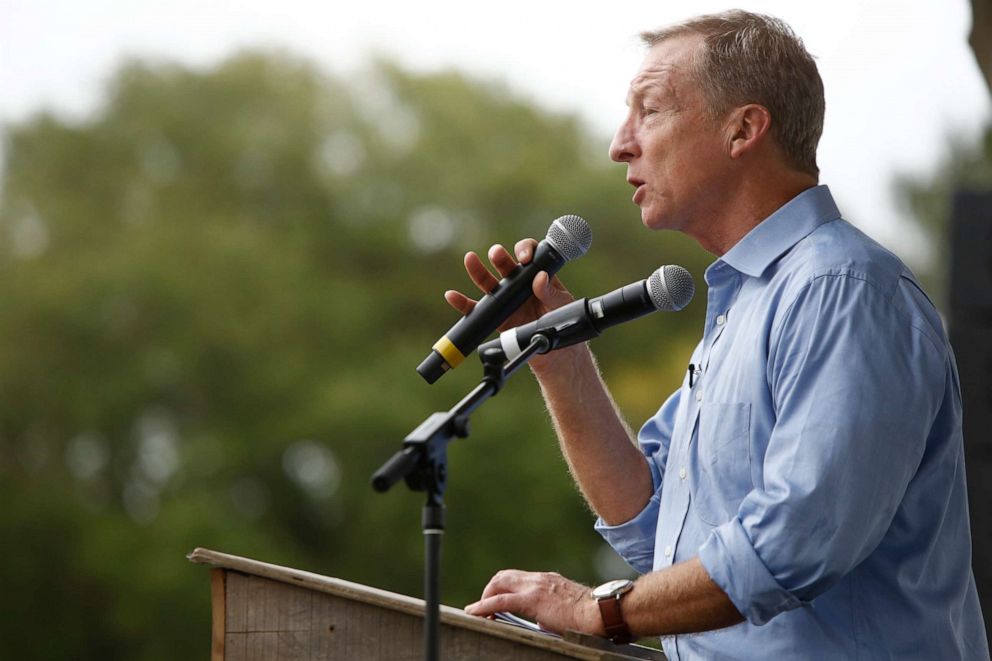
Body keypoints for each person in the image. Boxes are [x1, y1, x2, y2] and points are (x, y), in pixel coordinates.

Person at [453, 10, 990, 660]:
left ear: (743, 129)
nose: (620, 144)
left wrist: (591, 608)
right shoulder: (753, 300)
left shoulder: (842, 290)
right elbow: (660, 534)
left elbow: (790, 545)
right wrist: (559, 361)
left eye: (649, 110)